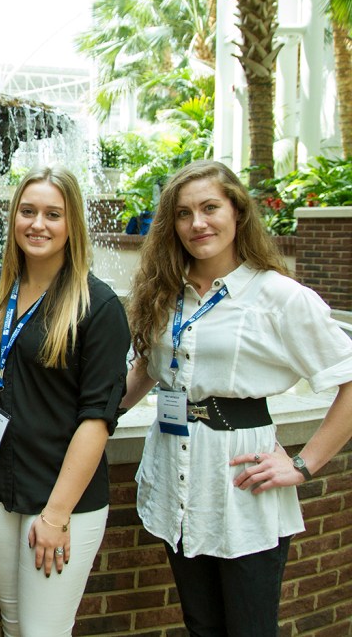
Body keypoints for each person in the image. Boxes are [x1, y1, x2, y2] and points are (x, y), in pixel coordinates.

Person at [119, 160, 352, 636]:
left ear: (238, 213)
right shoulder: (166, 291)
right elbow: (148, 369)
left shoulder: (279, 296)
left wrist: (304, 464)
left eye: (210, 208)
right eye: (183, 213)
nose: (197, 223)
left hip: (241, 483)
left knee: (249, 626)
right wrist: (87, 415)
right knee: (201, 624)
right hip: (175, 476)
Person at [0, 165, 129, 636]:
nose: (37, 224)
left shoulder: (97, 306)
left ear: (72, 224)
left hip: (62, 498)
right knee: (13, 621)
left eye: (53, 214)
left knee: (44, 631)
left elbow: (97, 420)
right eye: (28, 211)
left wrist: (57, 514)